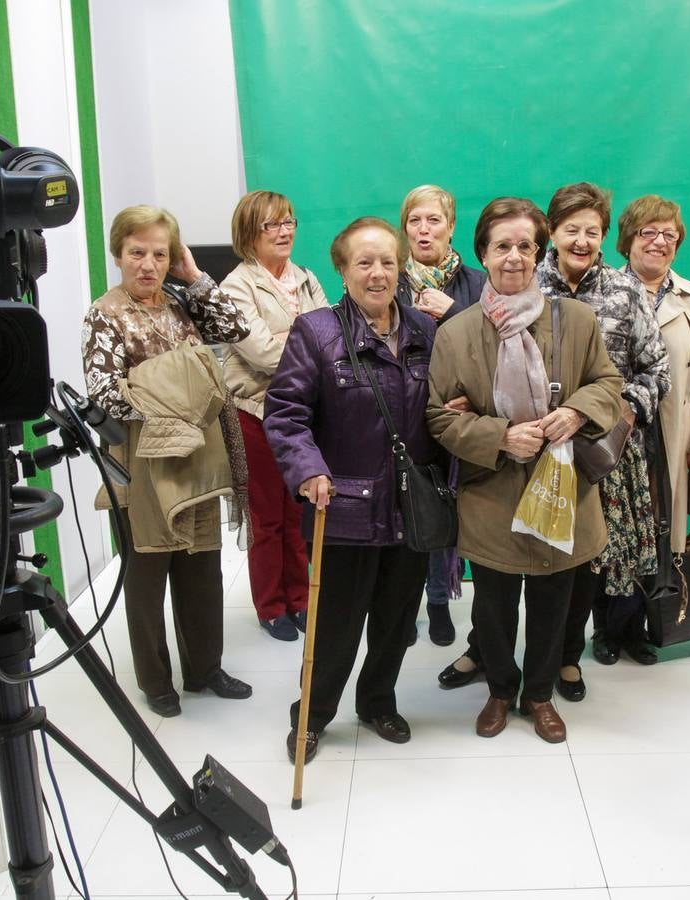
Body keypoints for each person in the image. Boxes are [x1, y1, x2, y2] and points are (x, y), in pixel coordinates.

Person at [427, 197, 624, 743]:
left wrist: (575, 411)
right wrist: (499, 435)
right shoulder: (457, 333)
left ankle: (538, 694)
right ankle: (498, 689)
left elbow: (608, 383)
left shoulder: (576, 320)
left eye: (524, 246)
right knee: (492, 606)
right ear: (483, 255)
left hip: (562, 490)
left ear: (538, 254)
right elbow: (438, 418)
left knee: (552, 602)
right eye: (501, 246)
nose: (513, 257)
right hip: (492, 491)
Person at [265, 217, 439, 763]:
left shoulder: (424, 332)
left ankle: (378, 702)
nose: (378, 272)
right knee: (335, 629)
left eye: (388, 261)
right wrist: (308, 469)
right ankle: (312, 716)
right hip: (341, 508)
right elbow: (286, 414)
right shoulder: (315, 332)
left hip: (411, 507)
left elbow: (443, 403)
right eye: (364, 262)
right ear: (342, 270)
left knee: (395, 621)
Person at [81, 205, 255, 717]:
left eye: (160, 253)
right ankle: (156, 681)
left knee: (202, 567)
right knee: (146, 573)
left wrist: (195, 276)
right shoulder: (105, 314)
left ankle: (205, 668)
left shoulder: (181, 302)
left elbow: (235, 326)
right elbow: (104, 396)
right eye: (137, 253)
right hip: (142, 459)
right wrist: (181, 392)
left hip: (197, 455)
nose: (148, 265)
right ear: (118, 254)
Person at [539, 183, 669, 700]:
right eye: (571, 229)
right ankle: (505, 654)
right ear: (552, 230)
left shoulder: (624, 289)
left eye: (592, 231)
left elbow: (656, 367)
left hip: (604, 451)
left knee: (587, 562)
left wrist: (627, 412)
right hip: (538, 446)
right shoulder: (527, 284)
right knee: (535, 559)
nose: (582, 240)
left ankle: (568, 659)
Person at [219, 191, 329, 642]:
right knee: (267, 517)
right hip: (257, 412)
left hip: (304, 413)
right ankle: (271, 605)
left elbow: (330, 341)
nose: (284, 232)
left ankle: (300, 599)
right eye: (271, 225)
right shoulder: (235, 287)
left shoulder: (306, 278)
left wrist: (294, 339)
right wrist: (305, 343)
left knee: (298, 513)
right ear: (249, 233)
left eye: (289, 222)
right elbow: (263, 354)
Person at [395, 184, 488, 647]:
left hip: (459, 413)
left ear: (451, 227)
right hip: (402, 415)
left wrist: (453, 312)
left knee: (447, 510)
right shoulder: (389, 280)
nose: (424, 229)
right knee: (406, 509)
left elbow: (494, 342)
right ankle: (404, 603)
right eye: (415, 220)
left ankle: (438, 599)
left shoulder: (475, 283)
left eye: (434, 220)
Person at [618, 195, 690, 555]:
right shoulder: (606, 291)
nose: (659, 242)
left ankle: (660, 608)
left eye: (669, 235)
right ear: (628, 238)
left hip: (674, 430)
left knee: (663, 532)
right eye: (648, 232)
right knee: (619, 533)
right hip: (622, 430)